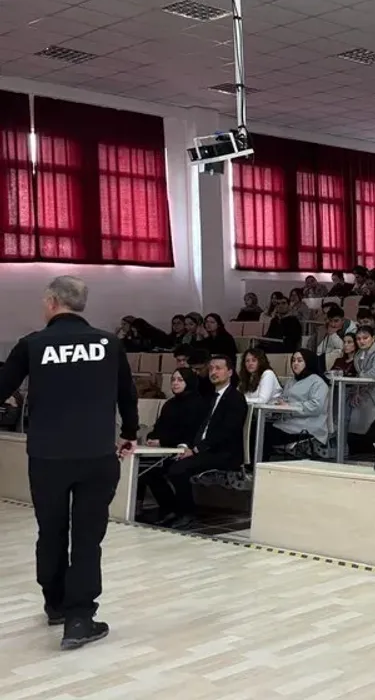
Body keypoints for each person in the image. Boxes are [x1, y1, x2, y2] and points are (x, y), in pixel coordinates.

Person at [0, 277, 138, 649]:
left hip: (47, 458)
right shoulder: (109, 343)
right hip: (96, 455)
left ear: (51, 301)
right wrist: (130, 432)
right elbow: (127, 394)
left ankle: (55, 604)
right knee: (88, 538)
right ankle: (80, 619)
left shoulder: (32, 344)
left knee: (51, 532)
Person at [145, 354, 247, 530]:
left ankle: (187, 513)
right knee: (154, 469)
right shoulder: (209, 398)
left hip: (223, 453)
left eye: (218, 368)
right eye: (211, 368)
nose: (213, 372)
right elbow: (196, 428)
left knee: (178, 469)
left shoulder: (235, 398)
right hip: (203, 449)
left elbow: (226, 432)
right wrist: (187, 446)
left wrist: (196, 449)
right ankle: (171, 509)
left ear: (230, 372)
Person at [264, 350, 330, 451]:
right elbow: (284, 399)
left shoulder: (318, 382)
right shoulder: (291, 381)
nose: (295, 363)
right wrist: (277, 403)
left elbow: (315, 407)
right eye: (293, 360)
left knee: (264, 433)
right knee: (257, 427)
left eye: (299, 361)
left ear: (308, 362)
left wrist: (290, 407)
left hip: (307, 427)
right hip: (287, 424)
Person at [146, 368, 209, 449]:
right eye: (173, 380)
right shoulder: (169, 404)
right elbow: (159, 427)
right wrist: (151, 438)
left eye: (180, 380)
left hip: (187, 450)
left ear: (189, 381)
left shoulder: (197, 403)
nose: (175, 383)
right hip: (163, 448)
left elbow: (189, 433)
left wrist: (162, 442)